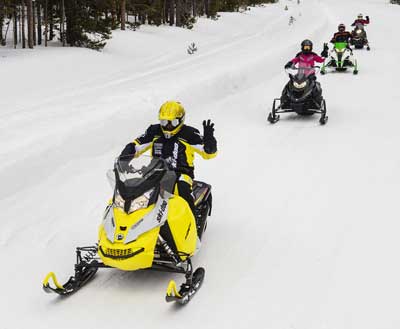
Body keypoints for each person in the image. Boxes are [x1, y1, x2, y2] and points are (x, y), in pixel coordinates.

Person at [120, 101, 217, 217]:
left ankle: (191, 223)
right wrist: (125, 156)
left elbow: (208, 153)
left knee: (182, 188)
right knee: (133, 190)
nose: (168, 126)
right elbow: (136, 145)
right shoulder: (154, 132)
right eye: (164, 122)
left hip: (181, 173)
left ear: (180, 120)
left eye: (172, 122)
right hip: (156, 172)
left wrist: (209, 141)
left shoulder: (189, 134)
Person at [282, 40, 327, 106]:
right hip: (300, 75)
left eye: (308, 48)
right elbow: (294, 60)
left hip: (310, 75)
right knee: (289, 85)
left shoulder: (313, 56)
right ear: (302, 47)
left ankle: (316, 102)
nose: (307, 49)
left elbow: (321, 60)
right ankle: (285, 100)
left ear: (311, 48)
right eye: (305, 47)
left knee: (314, 87)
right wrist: (289, 63)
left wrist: (324, 54)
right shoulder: (300, 56)